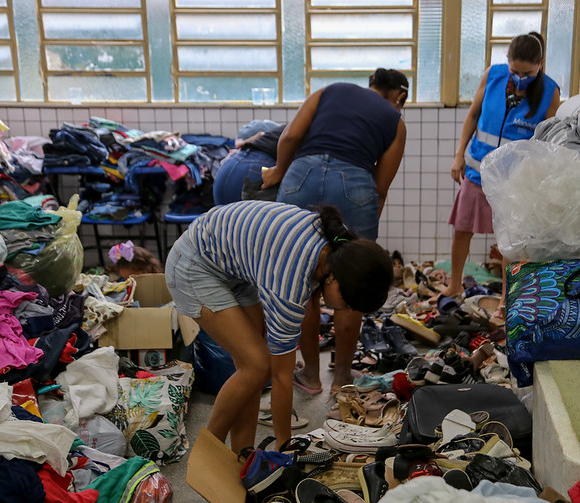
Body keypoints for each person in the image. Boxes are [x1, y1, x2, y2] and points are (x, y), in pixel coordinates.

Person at [164, 200, 393, 452]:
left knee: (250, 370)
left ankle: (243, 453)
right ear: (334, 278)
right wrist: (285, 447)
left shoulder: (341, 247)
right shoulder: (289, 285)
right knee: (257, 366)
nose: (345, 310)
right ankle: (208, 454)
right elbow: (281, 377)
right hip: (194, 264)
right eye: (348, 303)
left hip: (230, 263)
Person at [261, 67, 408, 396]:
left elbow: (289, 138)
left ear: (371, 85)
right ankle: (342, 377)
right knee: (353, 280)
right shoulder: (396, 122)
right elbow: (381, 186)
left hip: (301, 176)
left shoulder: (331, 91)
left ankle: (310, 376)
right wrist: (364, 235)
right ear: (399, 96)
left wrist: (278, 172)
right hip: (355, 183)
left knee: (301, 281)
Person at [442, 32, 560, 318]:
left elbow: (550, 139)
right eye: (515, 71)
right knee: (462, 228)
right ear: (506, 61)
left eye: (528, 73)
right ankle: (455, 284)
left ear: (540, 65)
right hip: (478, 170)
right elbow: (473, 115)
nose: (520, 78)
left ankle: (507, 300)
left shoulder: (550, 92)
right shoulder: (493, 77)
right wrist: (459, 154)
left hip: (514, 181)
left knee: (511, 242)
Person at [212, 123, 285, 205]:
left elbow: (260, 134)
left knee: (225, 217)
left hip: (227, 167)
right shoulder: (297, 129)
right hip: (257, 169)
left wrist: (245, 143)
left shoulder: (288, 128)